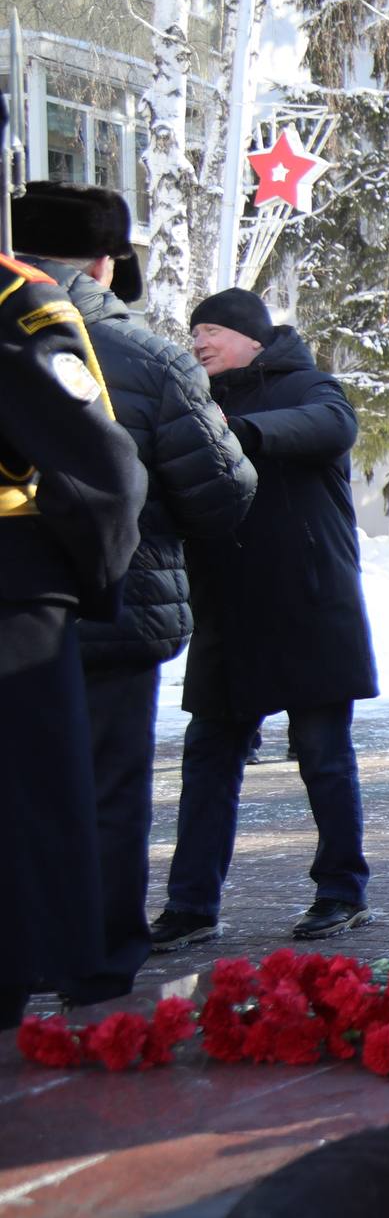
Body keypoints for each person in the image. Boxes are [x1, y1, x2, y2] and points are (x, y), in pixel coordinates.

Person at [19, 184, 256, 993]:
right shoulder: (148, 356)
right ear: (104, 258)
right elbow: (224, 488)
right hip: (116, 603)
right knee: (109, 793)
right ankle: (96, 964)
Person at [157, 288, 379, 946]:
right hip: (228, 612)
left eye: (212, 331)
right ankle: (191, 907)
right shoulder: (193, 404)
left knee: (324, 757)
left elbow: (330, 427)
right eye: (193, 332)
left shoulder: (309, 385)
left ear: (254, 339)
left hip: (309, 604)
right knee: (207, 763)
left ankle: (342, 892)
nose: (198, 342)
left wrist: (241, 434)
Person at [0, 247, 144, 1027]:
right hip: (12, 601)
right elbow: (104, 472)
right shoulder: (16, 297)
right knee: (34, 815)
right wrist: (92, 580)